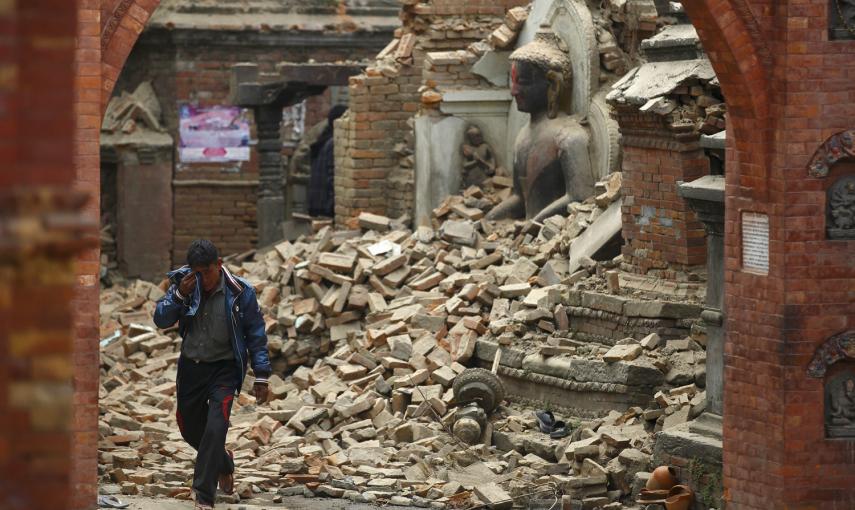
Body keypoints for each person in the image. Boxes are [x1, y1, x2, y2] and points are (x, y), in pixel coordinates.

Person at [153, 240, 271, 509]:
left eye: (207, 272)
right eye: (197, 273)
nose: (202, 279)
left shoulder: (240, 292)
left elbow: (256, 334)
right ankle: (224, 462)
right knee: (189, 428)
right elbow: (160, 319)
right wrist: (180, 296)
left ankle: (204, 495)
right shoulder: (184, 286)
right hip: (192, 367)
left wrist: (262, 374)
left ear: (219, 265)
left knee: (216, 427)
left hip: (224, 370)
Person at [307, 104, 348, 217]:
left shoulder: (324, 138)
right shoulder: (333, 143)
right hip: (325, 206)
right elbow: (332, 176)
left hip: (317, 202)